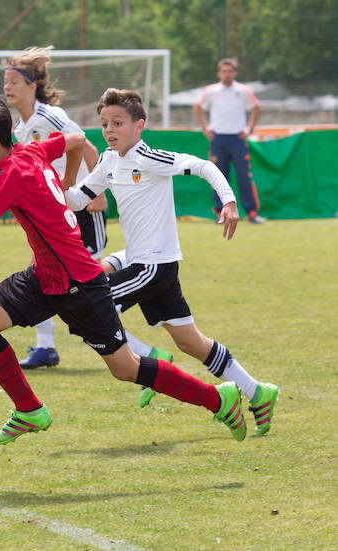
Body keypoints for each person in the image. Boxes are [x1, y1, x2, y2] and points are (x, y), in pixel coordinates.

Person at [0, 95, 249, 448]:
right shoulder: (31, 151)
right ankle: (29, 410)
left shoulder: (10, 172)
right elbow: (76, 139)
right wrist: (67, 182)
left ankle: (219, 400)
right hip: (44, 276)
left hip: (78, 283)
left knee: (125, 368)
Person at [66, 89, 278, 435]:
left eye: (117, 123)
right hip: (147, 264)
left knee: (92, 307)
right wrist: (41, 193)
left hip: (153, 266)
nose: (109, 130)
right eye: (104, 124)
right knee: (190, 342)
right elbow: (78, 198)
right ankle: (257, 391)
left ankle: (152, 360)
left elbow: (203, 165)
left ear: (139, 125)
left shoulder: (149, 158)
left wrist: (228, 201)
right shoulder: (108, 160)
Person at [4, 46, 120, 369]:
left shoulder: (50, 117)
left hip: (81, 209)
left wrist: (96, 192)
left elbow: (86, 143)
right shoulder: (20, 128)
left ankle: (143, 350)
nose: (7, 87)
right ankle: (45, 347)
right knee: (42, 272)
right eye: (5, 81)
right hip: (56, 214)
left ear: (32, 86)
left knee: (90, 286)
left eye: (14, 80)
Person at [193, 58, 265, 224]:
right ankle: (220, 213)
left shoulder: (243, 90)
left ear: (235, 73)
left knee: (244, 176)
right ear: (219, 73)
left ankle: (252, 213)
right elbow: (198, 107)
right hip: (218, 138)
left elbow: (256, 107)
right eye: (224, 71)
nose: (227, 74)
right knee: (218, 176)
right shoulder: (211, 91)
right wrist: (205, 129)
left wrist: (249, 129)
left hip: (238, 138)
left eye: (230, 71)